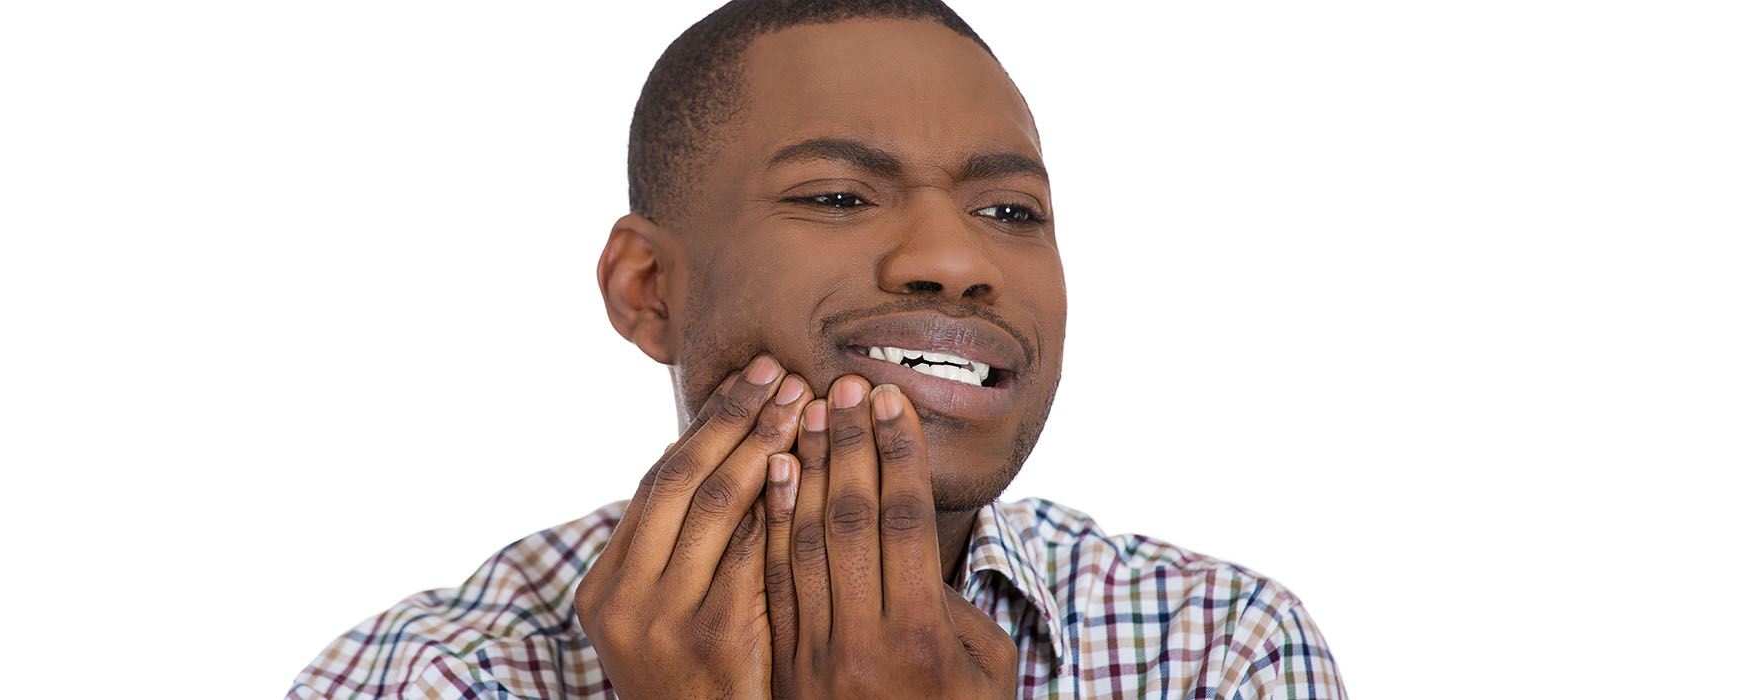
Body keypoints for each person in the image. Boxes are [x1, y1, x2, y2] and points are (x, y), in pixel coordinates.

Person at [289, 1, 1345, 697]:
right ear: (647, 289)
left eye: (1012, 211)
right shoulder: (430, 673)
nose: (952, 258)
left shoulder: (1219, 645)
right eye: (837, 196)